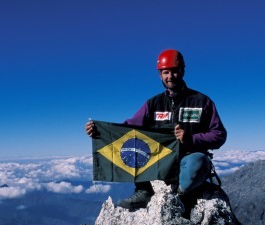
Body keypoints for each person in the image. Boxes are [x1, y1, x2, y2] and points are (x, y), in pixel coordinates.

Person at [85, 49, 227, 209]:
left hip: (188, 158)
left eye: (174, 71)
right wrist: (99, 131)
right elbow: (129, 127)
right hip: (160, 159)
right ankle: (144, 191)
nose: (170, 76)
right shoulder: (153, 104)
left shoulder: (202, 101)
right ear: (160, 75)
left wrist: (191, 138)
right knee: (133, 143)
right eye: (166, 72)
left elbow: (219, 135)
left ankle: (181, 194)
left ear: (182, 71)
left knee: (198, 162)